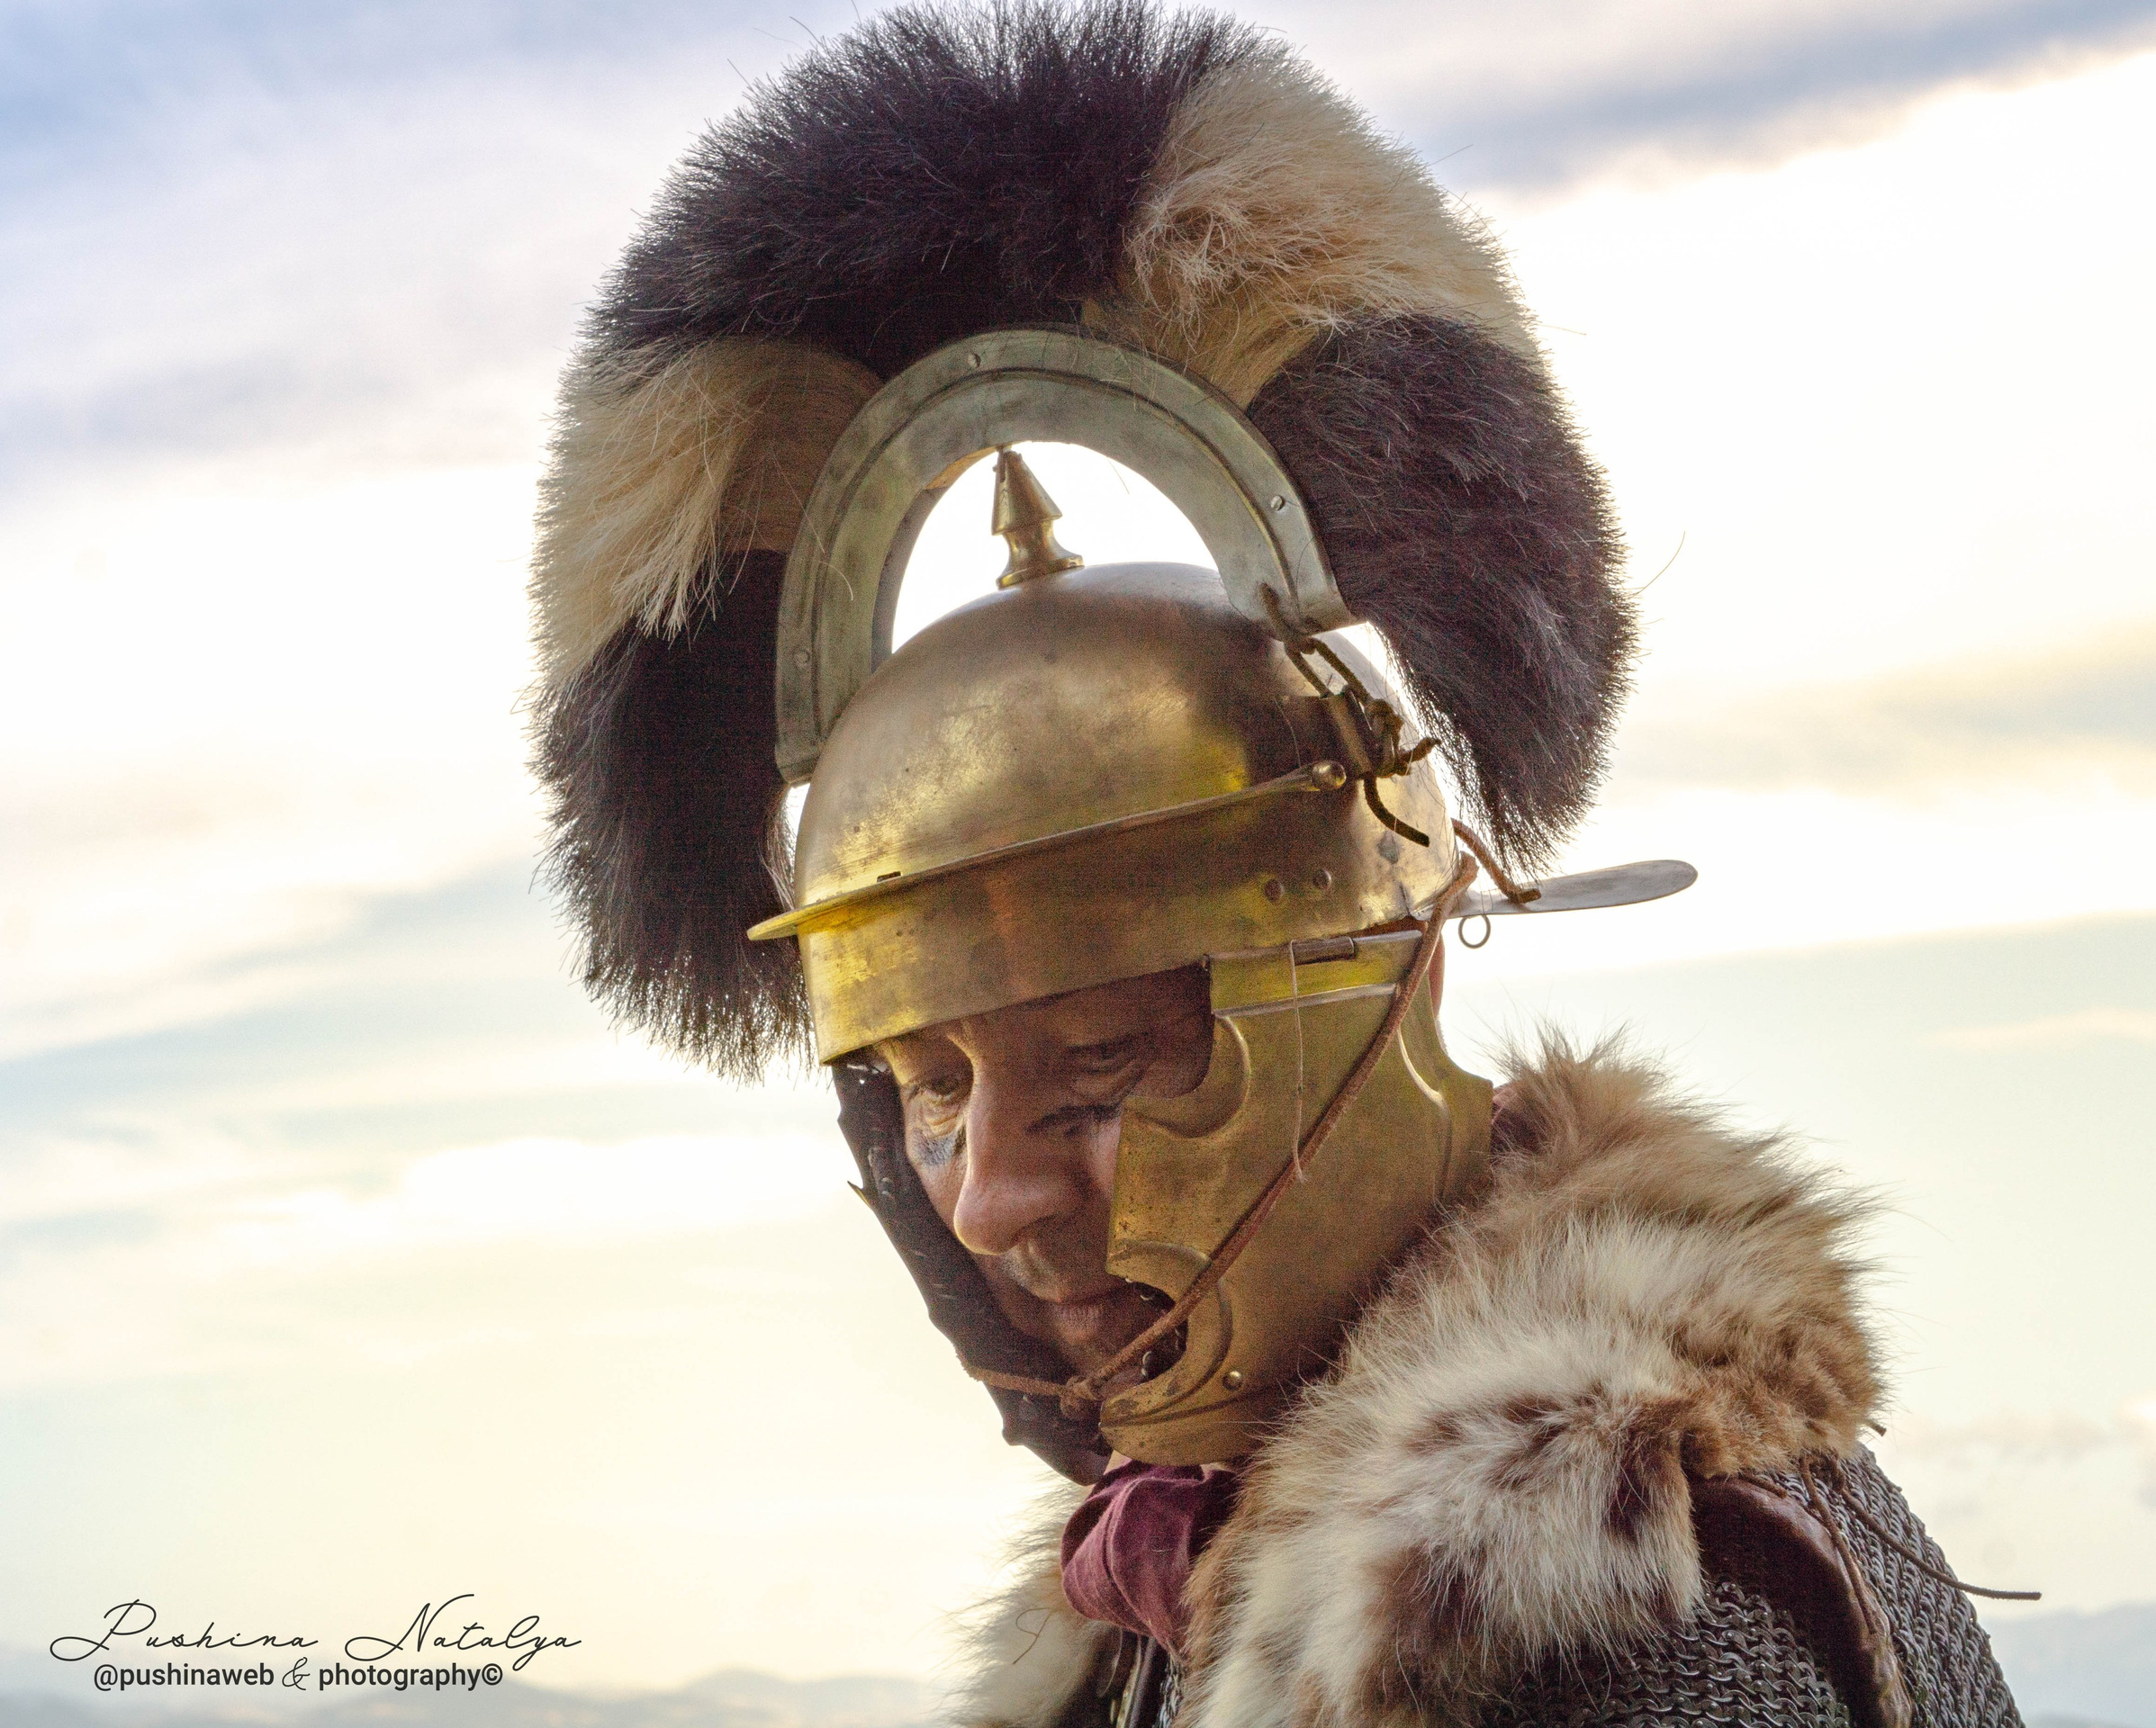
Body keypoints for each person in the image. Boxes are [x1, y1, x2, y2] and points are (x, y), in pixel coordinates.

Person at [527, 4, 2027, 1723]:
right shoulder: (1181, 1570)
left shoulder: (1626, 1606)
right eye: (933, 1089)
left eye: (1097, 1065)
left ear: (1387, 978)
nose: (992, 1195)